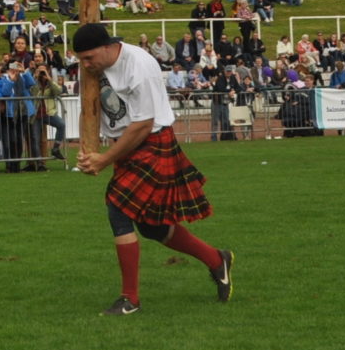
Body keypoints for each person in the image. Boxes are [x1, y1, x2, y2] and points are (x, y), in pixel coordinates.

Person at [71, 23, 233, 315]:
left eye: (89, 58)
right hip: (126, 143)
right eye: (81, 59)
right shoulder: (93, 69)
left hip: (151, 139)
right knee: (150, 225)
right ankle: (216, 259)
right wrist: (86, 149)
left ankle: (130, 299)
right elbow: (89, 107)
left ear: (109, 47)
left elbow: (143, 124)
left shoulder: (140, 66)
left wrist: (104, 159)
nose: (85, 65)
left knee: (117, 207)